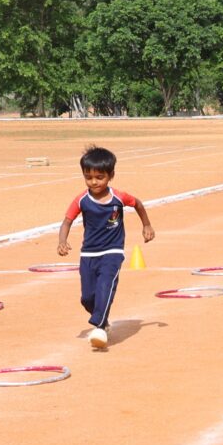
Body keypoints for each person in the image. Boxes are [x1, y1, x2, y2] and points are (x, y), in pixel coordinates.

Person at [53, 145, 154, 352]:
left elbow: (138, 204)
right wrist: (62, 241)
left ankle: (99, 327)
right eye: (88, 177)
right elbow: (66, 221)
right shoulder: (81, 200)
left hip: (112, 251)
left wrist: (146, 225)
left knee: (105, 286)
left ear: (111, 176)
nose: (94, 182)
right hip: (88, 253)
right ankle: (103, 318)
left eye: (99, 177)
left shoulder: (119, 197)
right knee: (87, 297)